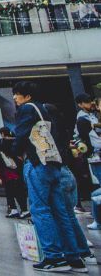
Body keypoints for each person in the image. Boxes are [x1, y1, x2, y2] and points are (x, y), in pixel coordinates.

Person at [11, 80, 87, 271]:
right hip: (54, 163)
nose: (14, 97)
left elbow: (21, 136)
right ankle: (74, 257)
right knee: (60, 210)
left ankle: (54, 257)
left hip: (38, 162)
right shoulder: (43, 109)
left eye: (18, 93)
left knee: (40, 209)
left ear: (27, 96)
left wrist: (15, 151)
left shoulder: (26, 109)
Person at [43, 102, 94, 266]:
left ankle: (73, 254)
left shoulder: (48, 133)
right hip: (66, 172)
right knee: (68, 215)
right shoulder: (62, 132)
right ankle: (82, 251)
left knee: (61, 216)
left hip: (57, 173)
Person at [75, 93, 101, 228]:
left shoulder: (92, 115)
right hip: (96, 156)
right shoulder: (82, 118)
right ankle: (97, 219)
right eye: (87, 102)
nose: (90, 103)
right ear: (80, 104)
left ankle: (97, 219)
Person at [0, 126, 29, 219]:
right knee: (20, 190)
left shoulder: (0, 142)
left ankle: (13, 209)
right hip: (19, 169)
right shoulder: (17, 141)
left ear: (2, 133)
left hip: (8, 171)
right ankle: (25, 209)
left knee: (9, 190)